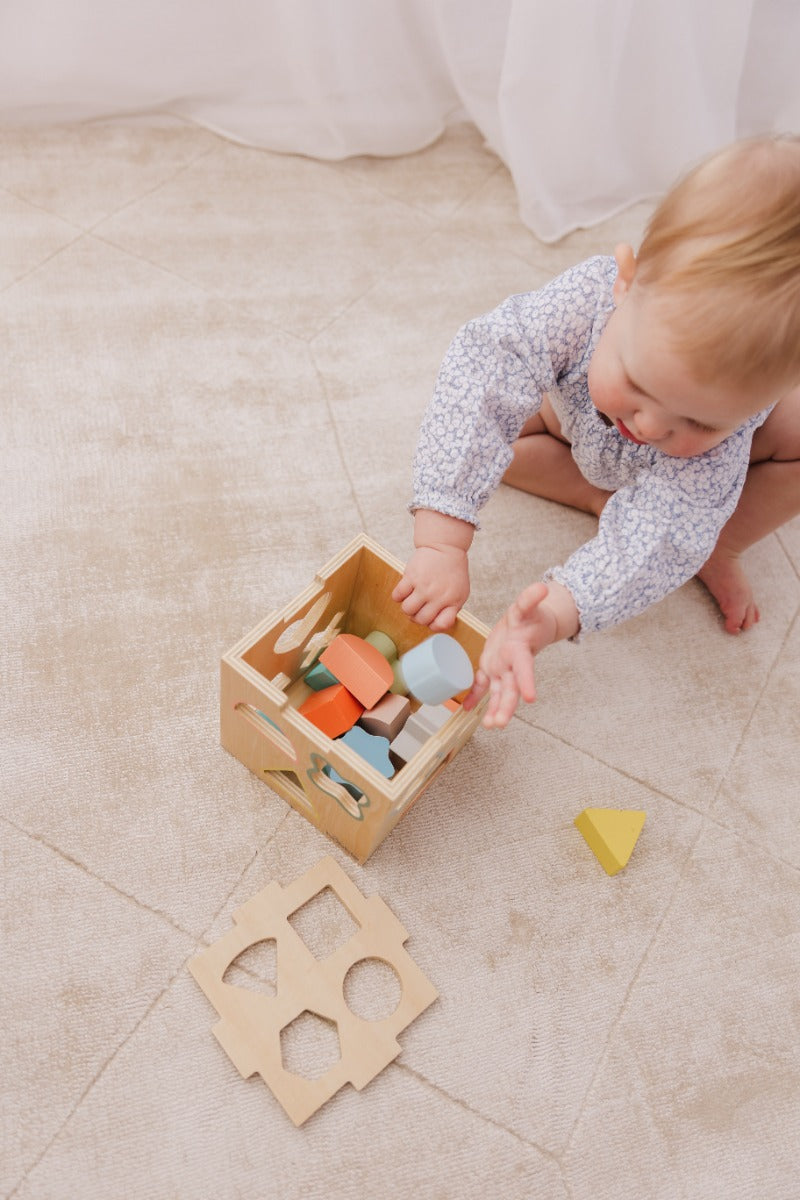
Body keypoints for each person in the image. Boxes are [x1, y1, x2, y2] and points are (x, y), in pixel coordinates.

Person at [391, 134, 800, 729]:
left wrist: (553, 614)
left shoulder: (720, 446)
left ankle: (721, 542)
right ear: (625, 283)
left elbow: (656, 540)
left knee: (744, 480)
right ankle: (595, 494)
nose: (651, 425)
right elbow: (486, 370)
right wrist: (441, 538)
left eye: (701, 419)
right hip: (570, 421)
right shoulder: (583, 302)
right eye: (638, 380)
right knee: (490, 433)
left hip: (689, 481)